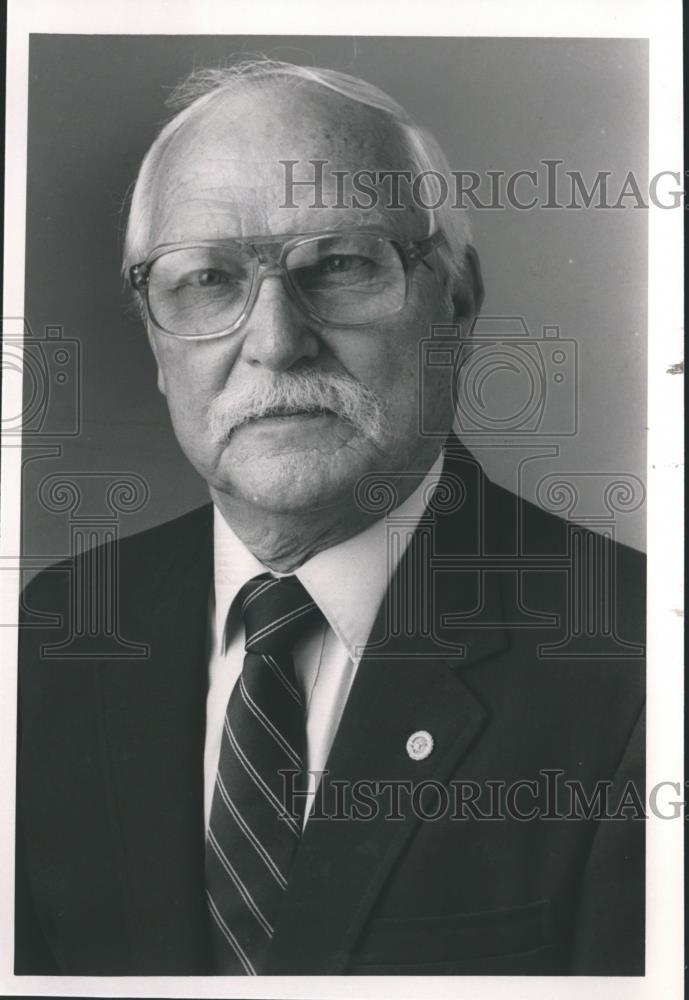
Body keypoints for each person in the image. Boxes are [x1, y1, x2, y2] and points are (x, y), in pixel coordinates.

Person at [15, 58, 645, 976]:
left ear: (457, 301)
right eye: (206, 281)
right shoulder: (58, 629)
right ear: (155, 337)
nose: (274, 340)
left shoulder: (634, 660)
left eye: (342, 264)